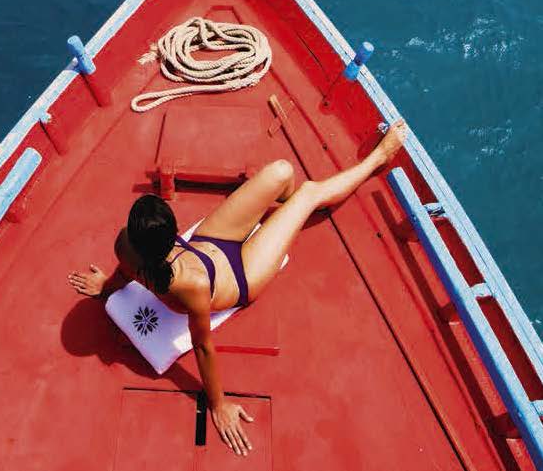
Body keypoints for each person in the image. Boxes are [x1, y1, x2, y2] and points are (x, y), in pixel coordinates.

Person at [68, 119, 407, 457]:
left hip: (208, 244)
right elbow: (203, 347)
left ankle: (286, 214)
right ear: (169, 236)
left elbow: (123, 272)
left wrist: (107, 288)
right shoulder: (191, 286)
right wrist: (218, 404)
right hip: (241, 276)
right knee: (307, 192)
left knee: (282, 171)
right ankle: (375, 161)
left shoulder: (126, 246)